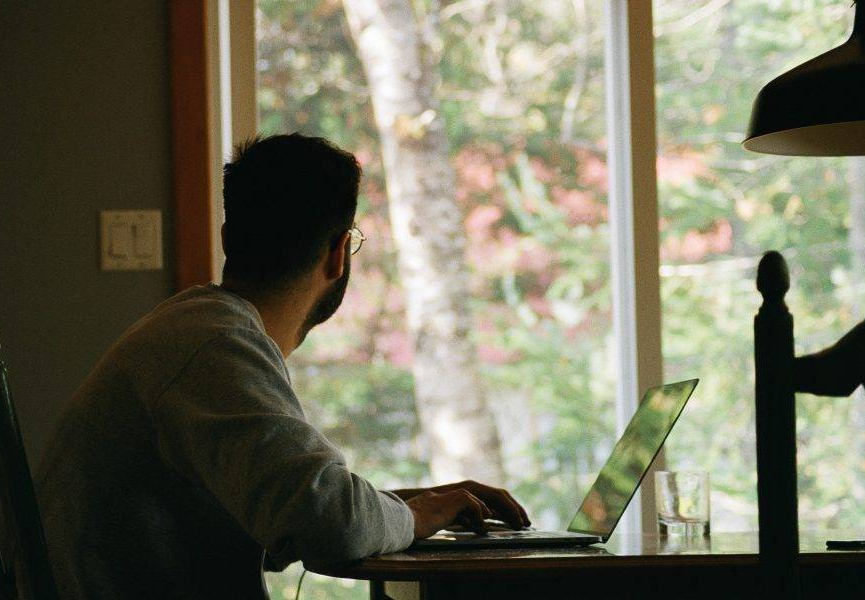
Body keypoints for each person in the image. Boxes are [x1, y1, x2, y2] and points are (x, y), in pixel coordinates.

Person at [36, 133, 530, 599]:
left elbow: (287, 509)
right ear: (338, 254)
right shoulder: (214, 345)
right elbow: (329, 524)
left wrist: (408, 507)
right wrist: (414, 517)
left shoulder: (193, 330)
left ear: (229, 238)